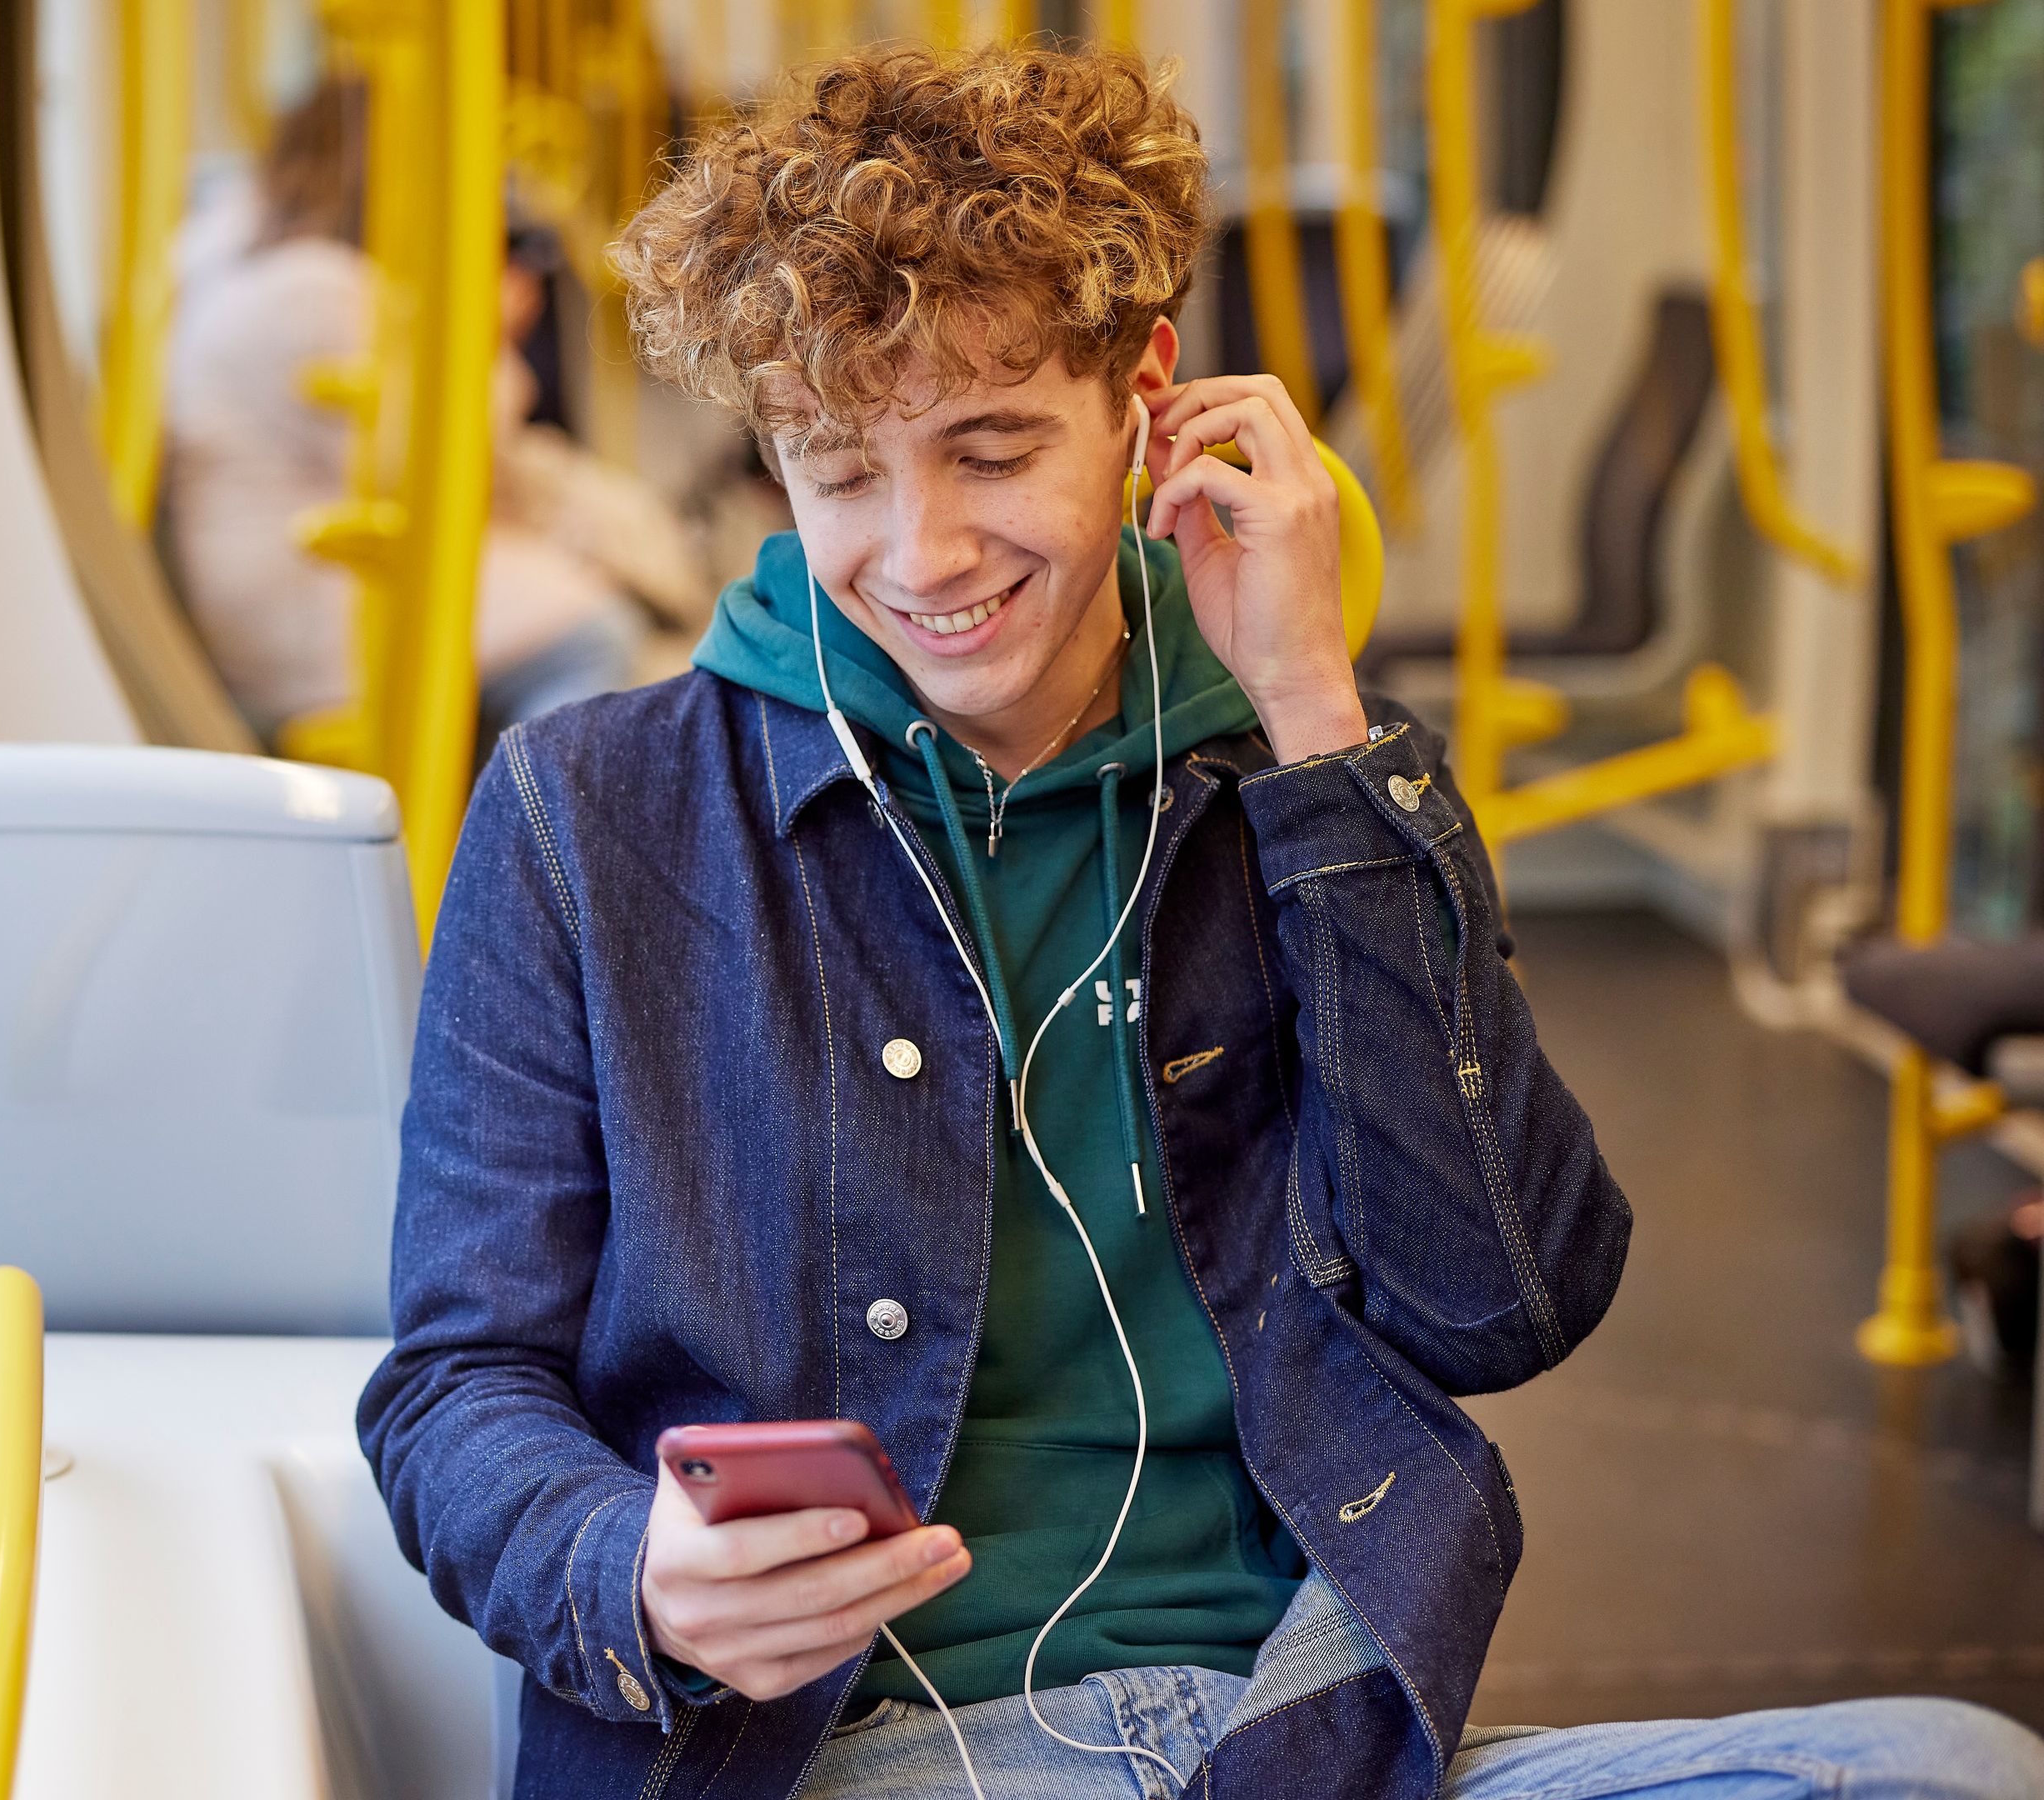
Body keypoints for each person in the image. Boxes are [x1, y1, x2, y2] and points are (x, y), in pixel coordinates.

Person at [356, 41, 2044, 1800]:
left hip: (1291, 1745)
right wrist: (631, 1573)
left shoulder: (1295, 776)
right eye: (840, 471)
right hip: (857, 1758)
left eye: (992, 448)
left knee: (1958, 1766)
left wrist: (1319, 714)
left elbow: (1499, 1302)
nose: (921, 552)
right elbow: (452, 1390)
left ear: (1147, 399)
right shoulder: (589, 811)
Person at [159, 81, 707, 748]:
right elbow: (446, 460)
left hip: (280, 582)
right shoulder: (319, 289)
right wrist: (488, 331)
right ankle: (553, 831)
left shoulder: (243, 265)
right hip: (305, 610)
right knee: (593, 634)